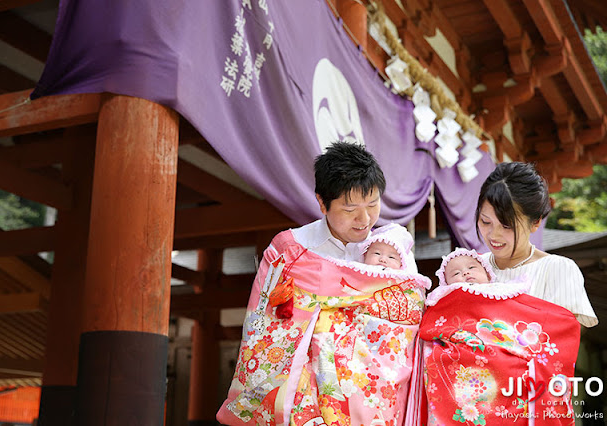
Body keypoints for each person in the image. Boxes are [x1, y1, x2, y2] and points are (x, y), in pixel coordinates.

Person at [217, 143, 430, 426]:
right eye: (350, 208)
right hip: (306, 393)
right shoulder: (290, 252)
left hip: (372, 394)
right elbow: (262, 324)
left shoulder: (389, 251)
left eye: (373, 205)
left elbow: (410, 314)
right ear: (322, 203)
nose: (364, 219)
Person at [420, 248, 581, 425]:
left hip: (505, 351)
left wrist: (564, 321)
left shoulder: (504, 292)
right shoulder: (444, 299)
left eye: (472, 267)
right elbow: (431, 328)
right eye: (456, 273)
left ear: (488, 275)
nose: (465, 273)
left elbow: (525, 313)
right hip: (464, 356)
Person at [475, 162, 598, 328]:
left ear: (535, 222)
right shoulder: (471, 266)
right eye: (485, 221)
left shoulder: (557, 270)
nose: (493, 234)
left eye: (506, 226)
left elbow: (561, 340)